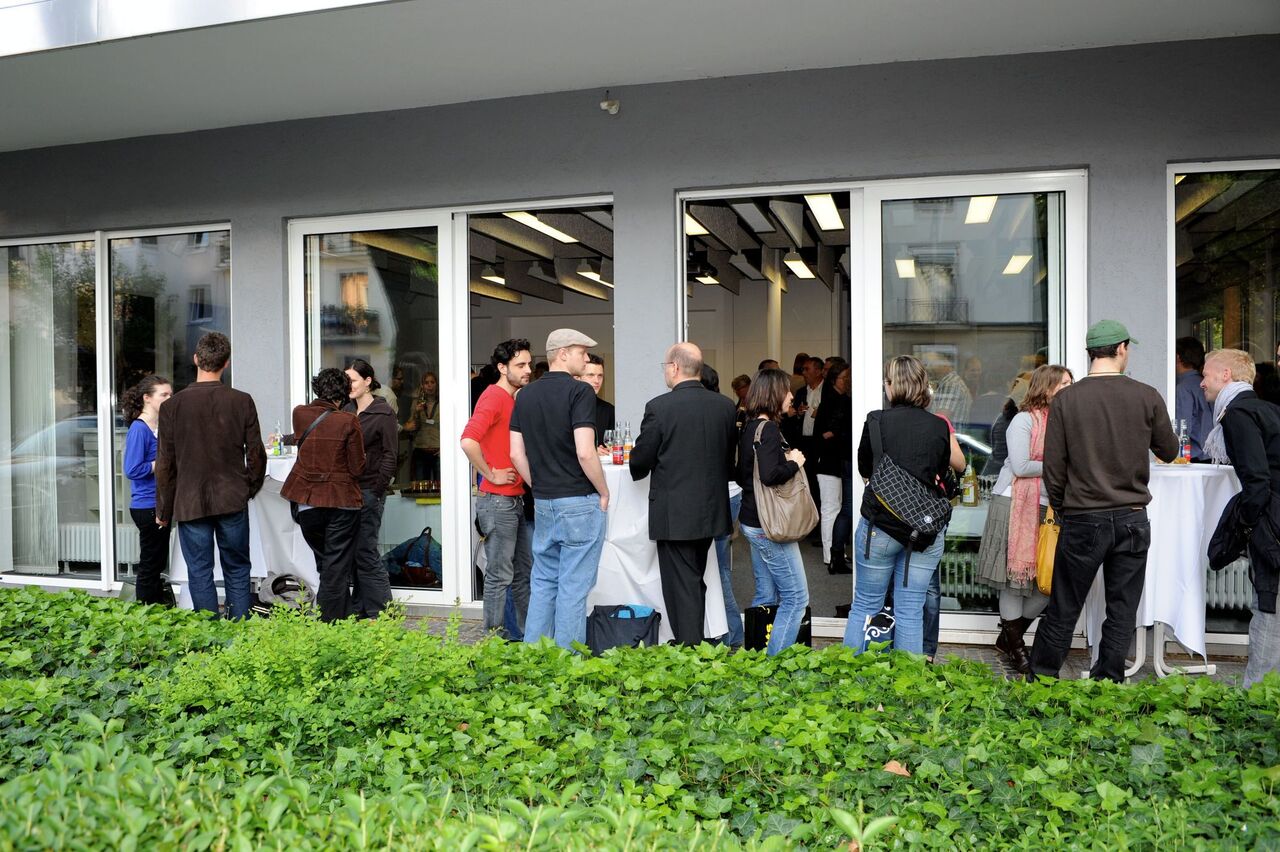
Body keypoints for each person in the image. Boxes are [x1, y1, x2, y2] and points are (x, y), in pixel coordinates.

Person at [1027, 320, 1179, 682]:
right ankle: (1108, 682)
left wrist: (1065, 508)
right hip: (1131, 516)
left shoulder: (1066, 399)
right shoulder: (1146, 395)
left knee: (1064, 606)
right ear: (1122, 348)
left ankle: (1042, 681)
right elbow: (1169, 451)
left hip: (1082, 516)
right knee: (1122, 608)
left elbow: (1054, 466)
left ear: (1090, 353)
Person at [842, 355, 954, 655]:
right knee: (910, 610)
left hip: (880, 525)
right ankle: (908, 690)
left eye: (886, 382)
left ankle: (852, 679)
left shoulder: (876, 421)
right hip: (924, 529)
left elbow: (864, 468)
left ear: (892, 387)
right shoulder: (938, 426)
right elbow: (940, 472)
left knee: (865, 604)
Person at [630, 345, 737, 645]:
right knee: (695, 579)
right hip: (711, 508)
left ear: (675, 367)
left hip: (674, 512)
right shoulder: (725, 406)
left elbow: (640, 461)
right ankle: (695, 642)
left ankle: (690, 649)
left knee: (681, 584)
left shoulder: (659, 408)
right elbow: (728, 461)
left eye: (665, 364)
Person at [509, 329, 610, 650]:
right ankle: (567, 667)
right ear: (563, 353)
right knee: (573, 586)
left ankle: (535, 658)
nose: (586, 358)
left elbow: (515, 453)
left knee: (543, 581)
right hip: (579, 500)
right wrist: (604, 491)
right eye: (582, 352)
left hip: (544, 501)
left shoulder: (524, 395)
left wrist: (538, 484)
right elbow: (585, 450)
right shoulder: (580, 392)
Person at [155, 332, 266, 618]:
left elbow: (165, 463)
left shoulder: (171, 407)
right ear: (226, 363)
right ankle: (239, 630)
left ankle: (209, 635)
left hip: (190, 499)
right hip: (231, 496)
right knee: (238, 567)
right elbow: (256, 454)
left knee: (199, 570)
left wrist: (163, 509)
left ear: (196, 359)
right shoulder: (241, 401)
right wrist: (248, 489)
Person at [975, 364, 1074, 673]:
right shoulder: (1023, 420)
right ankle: (1018, 650)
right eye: (1065, 384)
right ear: (1046, 388)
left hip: (1049, 509)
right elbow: (1020, 466)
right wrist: (1061, 466)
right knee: (1013, 583)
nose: (1071, 388)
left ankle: (1007, 637)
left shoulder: (1065, 421)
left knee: (1046, 583)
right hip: (1013, 504)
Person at [1200, 348, 1280, 687]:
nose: (1201, 382)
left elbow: (1257, 481)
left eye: (1206, 374)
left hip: (1272, 520)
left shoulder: (1238, 413)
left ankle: (1256, 695)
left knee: (1269, 604)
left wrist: (1245, 525)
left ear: (1226, 375)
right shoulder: (1268, 409)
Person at [461, 338, 535, 639]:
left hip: (513, 499)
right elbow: (468, 441)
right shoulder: (493, 397)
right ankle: (493, 641)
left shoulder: (512, 399)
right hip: (498, 500)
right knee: (500, 575)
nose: (528, 370)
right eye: (521, 365)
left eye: (529, 364)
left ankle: (527, 637)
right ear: (502, 368)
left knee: (521, 574)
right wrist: (490, 473)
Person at [282, 368, 366, 622]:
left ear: (317, 388)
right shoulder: (348, 421)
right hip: (341, 501)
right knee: (336, 567)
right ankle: (329, 623)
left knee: (327, 565)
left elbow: (303, 440)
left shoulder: (300, 413)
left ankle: (343, 615)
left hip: (308, 503)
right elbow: (357, 467)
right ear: (344, 394)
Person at [737, 368, 811, 655]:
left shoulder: (749, 425)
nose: (791, 395)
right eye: (787, 390)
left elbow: (744, 473)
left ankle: (756, 659)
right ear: (774, 394)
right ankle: (772, 669)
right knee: (796, 598)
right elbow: (770, 475)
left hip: (753, 519)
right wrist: (794, 462)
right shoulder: (768, 430)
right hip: (770, 525)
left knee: (767, 594)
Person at [700, 364, 750, 647]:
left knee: (717, 571)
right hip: (731, 492)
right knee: (721, 568)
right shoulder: (728, 410)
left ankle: (731, 633)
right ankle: (726, 631)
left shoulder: (711, 412)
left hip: (717, 493)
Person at [343, 359, 396, 619]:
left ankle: (383, 611)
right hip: (348, 491)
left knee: (365, 550)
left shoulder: (383, 412)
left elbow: (390, 454)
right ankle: (360, 607)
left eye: (352, 380)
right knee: (356, 550)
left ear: (367, 381)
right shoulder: (345, 410)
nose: (348, 385)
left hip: (369, 489)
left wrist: (377, 489)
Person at [122, 375, 173, 605]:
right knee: (150, 562)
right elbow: (132, 469)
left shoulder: (159, 426)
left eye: (170, 394)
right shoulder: (139, 429)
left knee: (157, 560)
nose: (169, 398)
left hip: (159, 503)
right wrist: (160, 463)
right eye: (164, 394)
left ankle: (153, 608)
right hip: (146, 505)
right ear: (147, 398)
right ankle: (146, 611)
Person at [814, 365, 852, 573]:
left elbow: (830, 433)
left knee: (836, 508)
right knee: (831, 509)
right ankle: (830, 554)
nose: (847, 380)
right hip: (829, 462)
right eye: (844, 377)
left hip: (835, 461)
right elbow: (825, 434)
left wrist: (833, 434)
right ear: (834, 380)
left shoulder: (840, 402)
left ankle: (835, 552)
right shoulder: (832, 403)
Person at [829, 368, 856, 576]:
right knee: (848, 509)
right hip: (852, 458)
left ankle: (836, 556)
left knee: (846, 508)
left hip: (846, 457)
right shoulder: (851, 403)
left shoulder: (842, 402)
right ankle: (837, 557)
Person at [1175, 336, 1211, 461]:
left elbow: (1181, 429)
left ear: (1177, 357)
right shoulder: (1208, 384)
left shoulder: (1182, 388)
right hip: (1213, 455)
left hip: (1193, 456)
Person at [404, 372, 441, 484]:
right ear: (422, 385)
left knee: (442, 487)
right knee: (420, 485)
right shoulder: (417, 403)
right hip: (421, 449)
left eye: (432, 382)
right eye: (426, 383)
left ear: (437, 384)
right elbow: (410, 426)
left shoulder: (444, 402)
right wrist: (416, 412)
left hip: (438, 450)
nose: (429, 385)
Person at [926, 351, 972, 431]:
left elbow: (941, 419)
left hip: (950, 440)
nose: (928, 368)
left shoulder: (951, 384)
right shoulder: (947, 383)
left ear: (944, 363)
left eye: (931, 364)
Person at [579, 354, 616, 450]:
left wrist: (609, 449)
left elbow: (612, 443)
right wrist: (593, 451)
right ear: (578, 377)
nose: (597, 381)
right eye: (590, 375)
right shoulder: (566, 407)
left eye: (600, 376)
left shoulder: (609, 410)